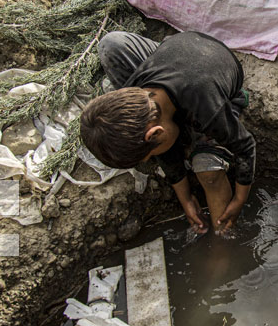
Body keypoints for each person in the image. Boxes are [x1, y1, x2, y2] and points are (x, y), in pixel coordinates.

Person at [80, 30, 255, 234]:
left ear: (155, 132)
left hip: (213, 71)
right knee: (111, 45)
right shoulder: (136, 91)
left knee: (208, 169)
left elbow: (246, 146)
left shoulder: (206, 108)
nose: (151, 159)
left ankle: (222, 243)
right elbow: (163, 147)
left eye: (150, 155)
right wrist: (186, 198)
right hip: (178, 56)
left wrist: (239, 198)